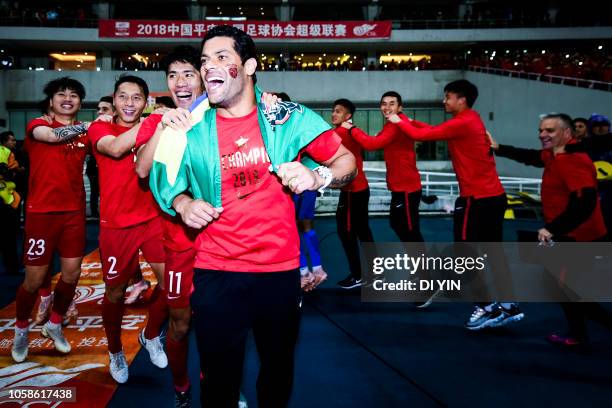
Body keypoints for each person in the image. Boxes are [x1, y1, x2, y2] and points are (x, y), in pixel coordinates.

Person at [149, 25, 356, 407]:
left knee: (277, 375)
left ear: (249, 67)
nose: (209, 66)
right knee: (218, 383)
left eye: (222, 57)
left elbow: (347, 162)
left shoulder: (286, 116)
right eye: (205, 60)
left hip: (278, 273)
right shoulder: (188, 125)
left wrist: (318, 174)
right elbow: (162, 180)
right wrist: (183, 204)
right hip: (217, 271)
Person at [391, 79, 523, 329]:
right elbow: (430, 128)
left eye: (448, 96)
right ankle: (508, 304)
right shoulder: (469, 120)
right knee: (494, 252)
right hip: (493, 196)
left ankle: (485, 307)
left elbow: (423, 135)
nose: (444, 101)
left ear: (461, 99)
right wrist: (404, 117)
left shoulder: (463, 122)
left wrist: (398, 121)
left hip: (476, 199)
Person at [489, 113, 612, 347]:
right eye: (541, 130)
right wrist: (499, 148)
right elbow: (533, 157)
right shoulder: (555, 154)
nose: (542, 135)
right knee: (564, 288)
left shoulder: (572, 160)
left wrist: (552, 229)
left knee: (568, 289)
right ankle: (578, 335)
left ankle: (580, 336)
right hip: (569, 234)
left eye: (550, 131)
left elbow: (585, 202)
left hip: (579, 238)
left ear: (567, 134)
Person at [11, 77, 105, 362]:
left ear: (80, 102)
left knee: (72, 274)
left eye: (74, 95)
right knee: (34, 279)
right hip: (41, 213)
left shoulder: (85, 136)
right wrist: (87, 126)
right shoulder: (38, 124)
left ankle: (54, 323)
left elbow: (108, 149)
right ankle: (21, 329)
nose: (68, 98)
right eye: (61, 94)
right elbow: (51, 138)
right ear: (50, 101)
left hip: (73, 214)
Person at [133, 45, 206, 406]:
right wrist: (163, 124)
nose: (180, 82)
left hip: (219, 242)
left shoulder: (217, 115)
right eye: (173, 75)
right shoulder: (155, 120)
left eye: (188, 73)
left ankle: (220, 386)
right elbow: (143, 170)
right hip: (177, 241)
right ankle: (181, 387)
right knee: (180, 323)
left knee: (217, 324)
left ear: (203, 77)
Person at [87, 75, 169, 384]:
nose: (129, 103)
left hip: (152, 218)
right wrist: (155, 122)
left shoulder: (159, 127)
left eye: (137, 98)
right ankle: (115, 350)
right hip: (115, 225)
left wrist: (161, 122)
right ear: (114, 98)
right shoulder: (100, 127)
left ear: (146, 101)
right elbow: (118, 148)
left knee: (172, 286)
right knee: (116, 292)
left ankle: (150, 335)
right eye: (123, 97)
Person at [347, 91, 424, 245]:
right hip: (401, 187)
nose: (387, 107)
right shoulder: (394, 123)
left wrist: (351, 128)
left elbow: (371, 144)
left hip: (406, 188)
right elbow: (377, 140)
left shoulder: (396, 124)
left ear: (400, 107)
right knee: (400, 225)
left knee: (408, 230)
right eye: (384, 103)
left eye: (392, 103)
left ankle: (421, 267)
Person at [330, 98, 375, 289]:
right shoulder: (346, 130)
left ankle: (358, 275)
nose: (334, 114)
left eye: (338, 111)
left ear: (347, 116)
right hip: (358, 188)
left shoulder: (341, 131)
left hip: (352, 191)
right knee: (363, 232)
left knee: (346, 232)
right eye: (333, 110)